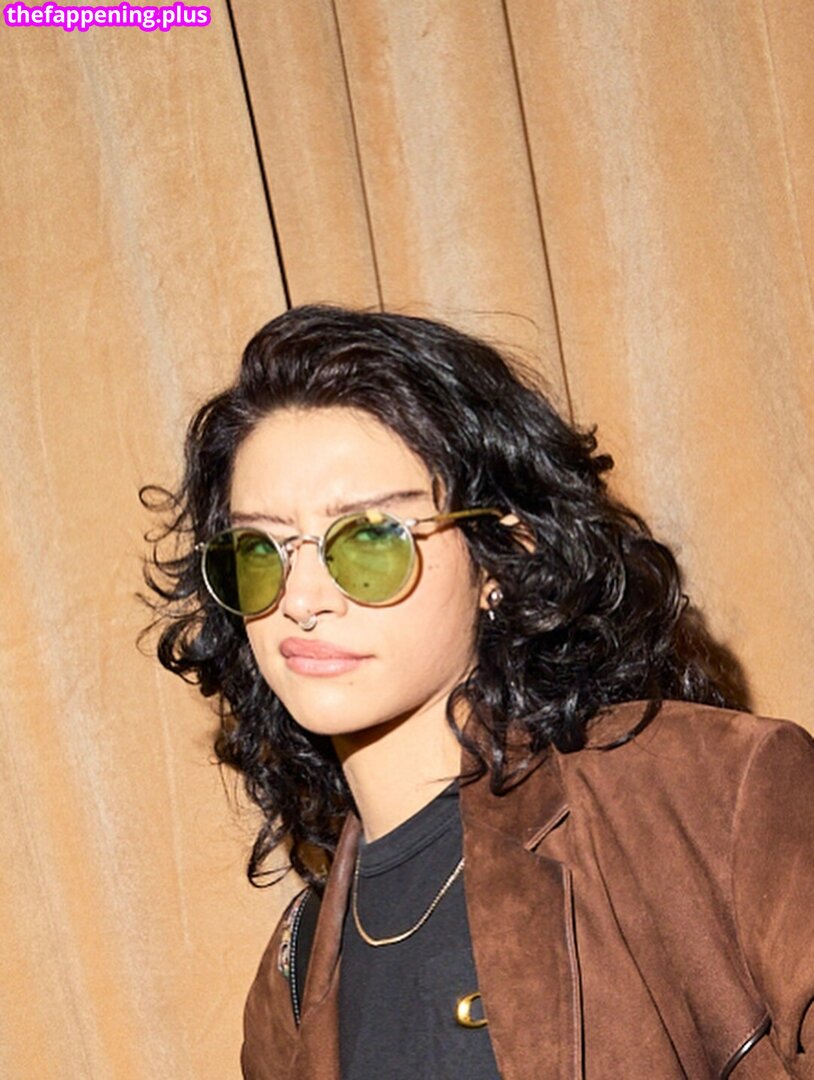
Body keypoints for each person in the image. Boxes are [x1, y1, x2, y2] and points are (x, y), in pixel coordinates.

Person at [143, 305, 814, 1079]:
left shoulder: (709, 794)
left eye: (369, 539)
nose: (301, 598)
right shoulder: (291, 988)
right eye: (261, 549)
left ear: (499, 556)